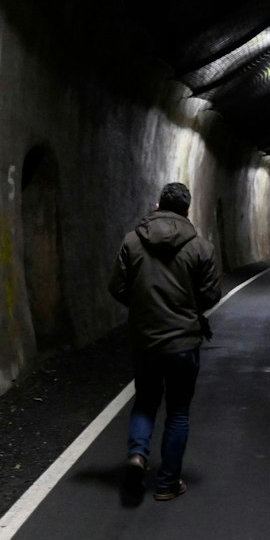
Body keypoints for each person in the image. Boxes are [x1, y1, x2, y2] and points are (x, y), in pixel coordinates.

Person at [108, 182, 221, 502]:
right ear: (187, 210)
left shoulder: (132, 241)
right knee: (178, 412)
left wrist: (143, 304)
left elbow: (116, 286)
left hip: (145, 339)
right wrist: (187, 305)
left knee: (145, 401)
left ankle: (137, 456)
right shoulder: (201, 247)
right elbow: (211, 294)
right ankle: (167, 483)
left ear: (158, 205)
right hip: (183, 342)